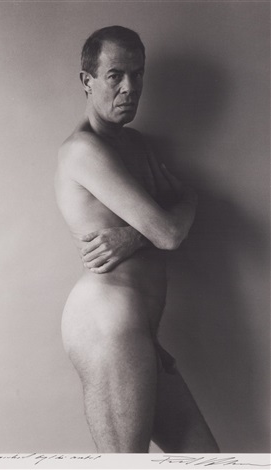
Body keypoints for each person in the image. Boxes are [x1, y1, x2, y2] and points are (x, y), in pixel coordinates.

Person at [54, 25, 220, 453]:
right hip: (106, 322)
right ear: (87, 81)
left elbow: (161, 228)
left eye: (138, 73)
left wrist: (134, 236)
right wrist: (186, 202)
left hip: (137, 328)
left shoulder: (137, 144)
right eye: (115, 75)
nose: (130, 87)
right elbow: (169, 231)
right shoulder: (83, 151)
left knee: (206, 458)